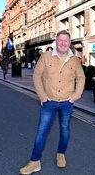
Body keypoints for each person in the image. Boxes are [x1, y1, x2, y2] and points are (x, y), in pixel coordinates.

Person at [19, 30, 85, 174]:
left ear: (69, 43)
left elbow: (81, 78)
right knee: (42, 132)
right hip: (49, 101)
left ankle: (61, 153)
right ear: (56, 41)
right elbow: (37, 75)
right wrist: (42, 96)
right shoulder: (46, 56)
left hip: (67, 102)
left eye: (65, 41)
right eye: (60, 40)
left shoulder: (75, 60)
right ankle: (35, 161)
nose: (62, 43)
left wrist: (75, 96)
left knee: (65, 130)